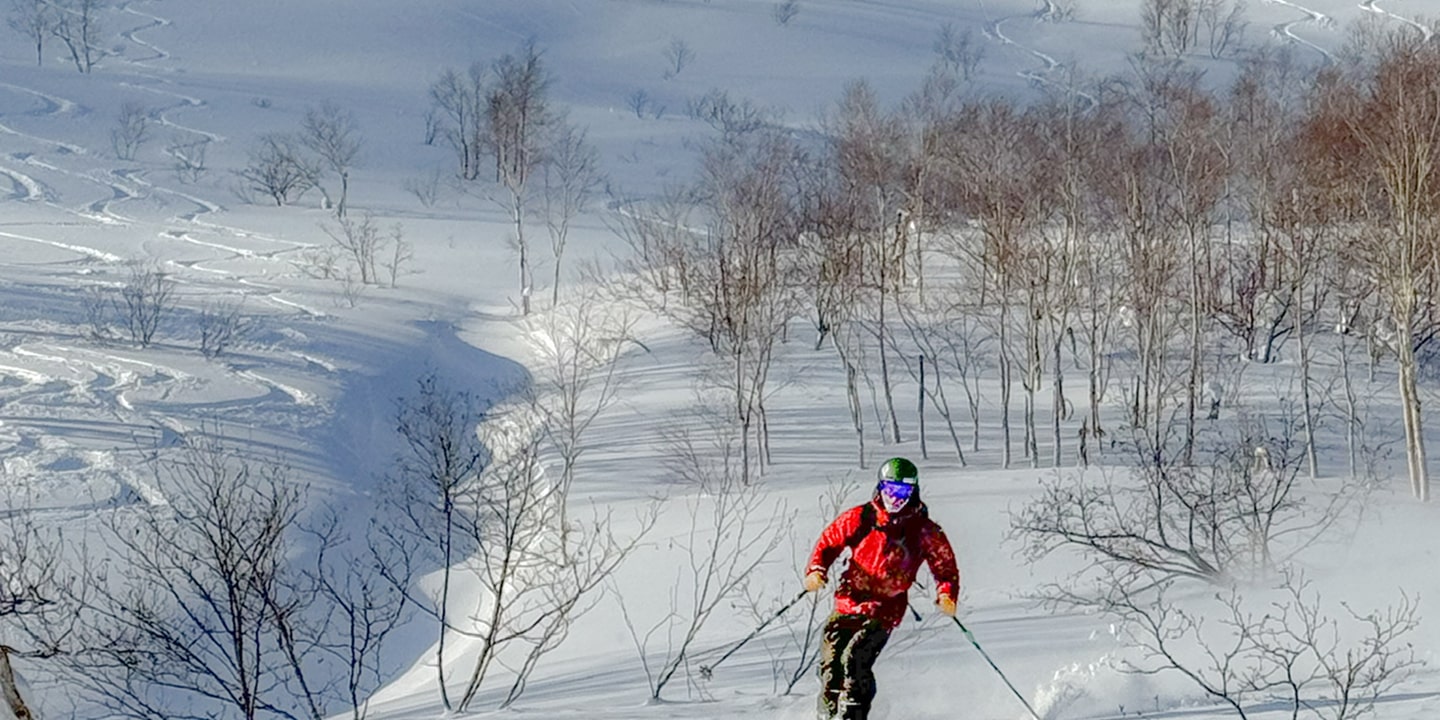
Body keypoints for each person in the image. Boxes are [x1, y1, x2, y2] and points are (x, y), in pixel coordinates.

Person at [802, 457, 960, 720]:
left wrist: (946, 594)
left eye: (903, 491)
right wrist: (817, 570)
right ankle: (826, 714)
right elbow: (829, 542)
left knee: (855, 659)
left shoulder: (923, 530)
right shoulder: (861, 517)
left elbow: (945, 566)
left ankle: (854, 715)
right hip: (848, 601)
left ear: (914, 492)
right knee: (831, 666)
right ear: (880, 487)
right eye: (890, 489)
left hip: (885, 609)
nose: (895, 498)